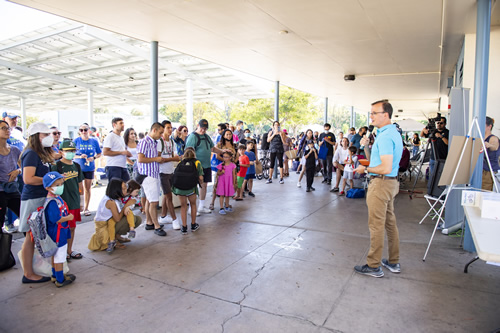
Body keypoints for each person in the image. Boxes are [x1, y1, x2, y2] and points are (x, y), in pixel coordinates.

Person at [353, 100, 403, 278]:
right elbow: (377, 161)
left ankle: (374, 265)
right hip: (389, 184)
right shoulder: (390, 133)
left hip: (381, 183)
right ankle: (393, 261)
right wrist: (366, 146)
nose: (371, 116)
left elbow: (385, 167)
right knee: (390, 223)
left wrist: (364, 169)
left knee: (376, 225)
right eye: (371, 112)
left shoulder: (386, 136)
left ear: (386, 114)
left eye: (375, 112)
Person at [19, 122, 54, 284]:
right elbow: (28, 178)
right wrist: (50, 181)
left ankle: (35, 269)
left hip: (42, 197)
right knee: (30, 236)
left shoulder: (41, 154)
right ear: (35, 136)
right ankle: (28, 273)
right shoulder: (31, 154)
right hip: (33, 199)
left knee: (36, 235)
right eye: (44, 135)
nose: (48, 138)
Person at [185, 119, 229, 214]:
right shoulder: (193, 137)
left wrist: (222, 151)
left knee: (203, 185)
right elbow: (188, 152)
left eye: (205, 128)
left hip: (206, 165)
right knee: (193, 186)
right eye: (202, 128)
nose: (203, 130)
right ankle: (191, 208)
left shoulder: (206, 137)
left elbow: (212, 148)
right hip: (195, 166)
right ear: (197, 125)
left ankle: (201, 206)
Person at [51, 139, 84, 261]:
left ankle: (70, 249)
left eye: (73, 150)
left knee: (72, 226)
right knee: (61, 227)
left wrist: (82, 201)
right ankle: (61, 251)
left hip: (74, 200)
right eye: (68, 151)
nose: (71, 153)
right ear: (61, 151)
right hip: (62, 202)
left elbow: (80, 184)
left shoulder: (77, 166)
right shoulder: (56, 166)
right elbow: (52, 185)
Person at [88, 178, 141, 251]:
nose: (126, 190)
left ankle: (117, 236)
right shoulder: (111, 202)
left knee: (137, 219)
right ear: (117, 190)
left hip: (110, 220)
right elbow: (117, 219)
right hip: (104, 225)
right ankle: (114, 239)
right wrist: (126, 206)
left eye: (126, 187)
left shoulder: (116, 197)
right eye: (124, 189)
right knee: (130, 218)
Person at [42, 172, 75, 288]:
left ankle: (55, 275)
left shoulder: (55, 198)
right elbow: (56, 219)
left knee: (54, 254)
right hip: (58, 233)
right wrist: (69, 218)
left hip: (59, 232)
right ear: (48, 188)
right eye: (57, 185)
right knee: (59, 256)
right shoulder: (52, 202)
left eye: (61, 183)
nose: (60, 186)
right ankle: (60, 279)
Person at [137, 122, 167, 236]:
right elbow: (140, 159)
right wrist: (157, 159)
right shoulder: (145, 142)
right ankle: (156, 226)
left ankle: (150, 222)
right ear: (154, 130)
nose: (161, 135)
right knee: (154, 202)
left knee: (150, 200)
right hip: (148, 175)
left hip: (153, 174)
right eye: (160, 132)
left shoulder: (154, 142)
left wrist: (157, 159)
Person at [171, 147, 203, 234]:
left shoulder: (181, 163)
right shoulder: (197, 162)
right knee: (193, 204)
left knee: (183, 206)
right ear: (194, 154)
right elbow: (200, 177)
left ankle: (184, 227)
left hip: (180, 189)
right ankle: (193, 225)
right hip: (191, 188)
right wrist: (201, 182)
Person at [74, 123, 102, 216]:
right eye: (81, 130)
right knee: (79, 188)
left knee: (88, 188)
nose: (83, 132)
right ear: (79, 131)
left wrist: (93, 158)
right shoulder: (76, 141)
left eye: (85, 130)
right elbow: (71, 154)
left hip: (89, 167)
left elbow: (99, 153)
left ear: (89, 130)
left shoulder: (94, 141)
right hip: (78, 167)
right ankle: (79, 206)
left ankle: (86, 208)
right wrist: (79, 156)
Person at [106, 179, 140, 254]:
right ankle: (112, 241)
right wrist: (125, 207)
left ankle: (132, 229)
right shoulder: (116, 198)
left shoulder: (132, 198)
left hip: (122, 213)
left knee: (130, 213)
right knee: (110, 222)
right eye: (124, 188)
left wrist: (128, 207)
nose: (137, 194)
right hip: (116, 215)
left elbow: (137, 201)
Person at [158, 120, 181, 230]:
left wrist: (171, 159)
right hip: (162, 173)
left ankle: (163, 216)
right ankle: (174, 219)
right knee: (169, 197)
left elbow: (174, 157)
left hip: (170, 171)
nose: (170, 130)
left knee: (167, 195)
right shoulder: (159, 142)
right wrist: (173, 158)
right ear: (163, 129)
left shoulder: (172, 142)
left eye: (171, 127)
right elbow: (159, 159)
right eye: (168, 127)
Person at [0, 120, 22, 233]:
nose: (7, 130)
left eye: (8, 128)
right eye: (3, 128)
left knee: (24, 218)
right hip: (1, 191)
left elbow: (23, 167)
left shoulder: (14, 150)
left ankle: (30, 245)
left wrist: (18, 171)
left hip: (13, 189)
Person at [209, 128, 236, 210]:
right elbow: (217, 155)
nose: (229, 136)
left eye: (230, 134)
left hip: (231, 167)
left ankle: (226, 203)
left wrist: (232, 162)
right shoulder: (219, 144)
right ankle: (212, 203)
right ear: (223, 135)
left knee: (229, 184)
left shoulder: (233, 145)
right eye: (227, 134)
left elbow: (235, 156)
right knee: (217, 185)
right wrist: (225, 161)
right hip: (221, 167)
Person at [483, 116, 499, 191]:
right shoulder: (480, 137)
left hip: (489, 172)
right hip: (480, 170)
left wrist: (489, 145)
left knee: (485, 192)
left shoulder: (493, 138)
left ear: (489, 126)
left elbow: (494, 147)